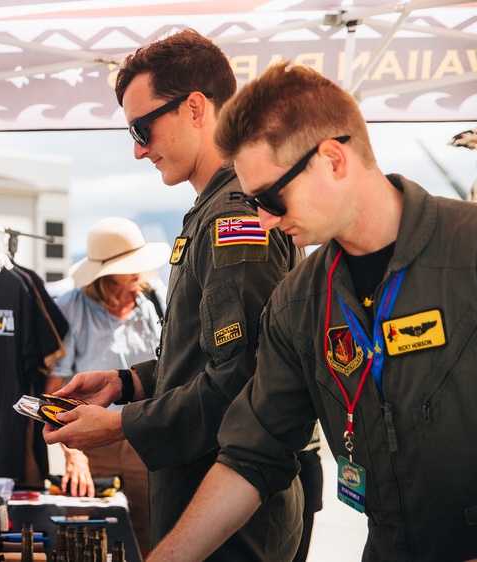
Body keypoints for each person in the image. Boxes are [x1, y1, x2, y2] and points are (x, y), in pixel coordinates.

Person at [149, 62, 477, 562]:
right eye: (252, 203)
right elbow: (252, 456)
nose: (264, 221)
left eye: (271, 198)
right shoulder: (297, 304)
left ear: (333, 159)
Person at [42, 29, 304, 560]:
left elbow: (243, 382)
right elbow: (204, 356)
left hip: (229, 520)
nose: (139, 149)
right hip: (206, 502)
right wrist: (127, 381)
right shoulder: (213, 210)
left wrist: (118, 425)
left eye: (143, 128)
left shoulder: (232, 216)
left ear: (196, 108)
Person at [53, 216, 170, 558]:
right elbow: (56, 388)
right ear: (105, 275)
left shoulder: (154, 300)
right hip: (91, 443)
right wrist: (74, 455)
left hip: (145, 435)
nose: (140, 274)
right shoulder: (71, 309)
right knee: (87, 537)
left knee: (152, 534)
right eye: (129, 267)